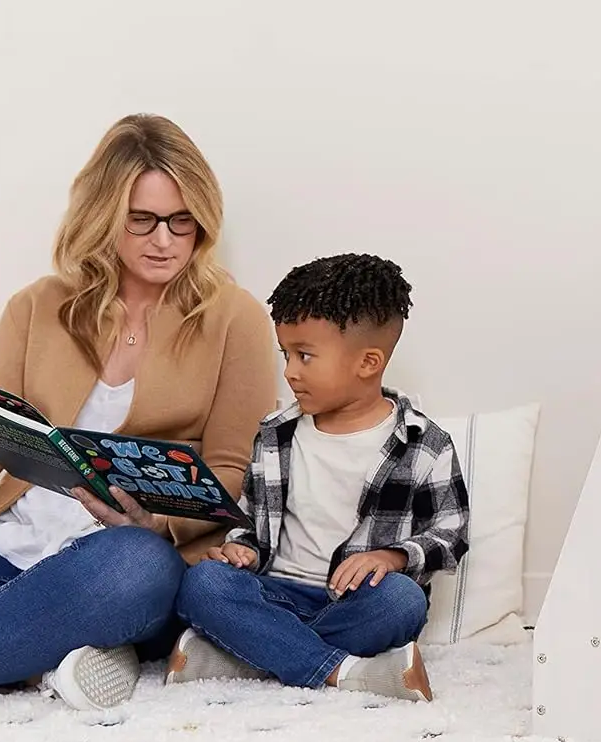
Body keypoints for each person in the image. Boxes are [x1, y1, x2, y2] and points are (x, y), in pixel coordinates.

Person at [0, 115, 278, 709]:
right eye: (141, 221)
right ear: (103, 215)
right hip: (5, 554)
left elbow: (231, 470)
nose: (164, 240)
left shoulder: (234, 317)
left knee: (132, 566)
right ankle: (36, 651)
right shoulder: (38, 306)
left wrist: (154, 526)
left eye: (181, 220)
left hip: (126, 561)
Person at [168, 252, 469, 701]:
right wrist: (240, 551)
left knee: (401, 603)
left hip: (354, 603)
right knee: (202, 583)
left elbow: (451, 534)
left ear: (368, 362)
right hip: (275, 593)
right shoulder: (275, 435)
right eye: (286, 354)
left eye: (305, 356)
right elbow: (251, 523)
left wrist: (393, 558)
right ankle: (342, 672)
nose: (289, 371)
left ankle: (256, 656)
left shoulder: (424, 444)